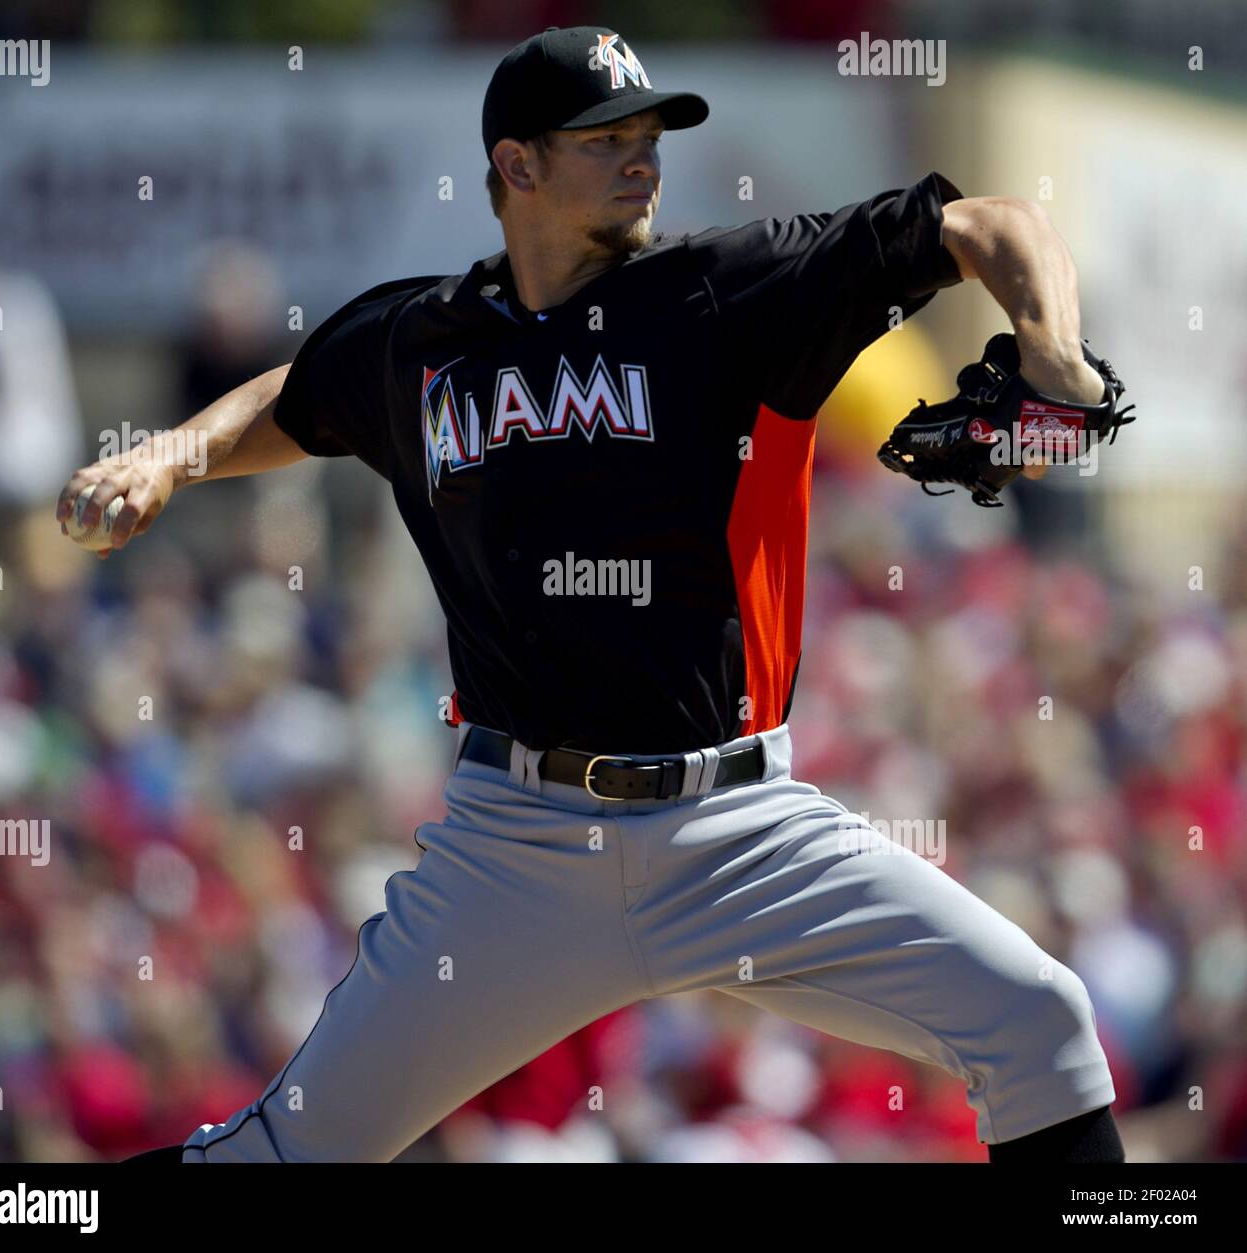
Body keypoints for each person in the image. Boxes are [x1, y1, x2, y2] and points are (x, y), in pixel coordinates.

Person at [68, 26, 1122, 1164]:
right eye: (605, 137)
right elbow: (304, 389)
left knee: (1040, 1021)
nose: (642, 157)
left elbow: (984, 223)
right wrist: (170, 452)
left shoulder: (730, 289)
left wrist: (1053, 355)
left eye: (649, 134)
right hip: (515, 850)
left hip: (738, 827)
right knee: (282, 1154)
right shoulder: (425, 343)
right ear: (515, 166)